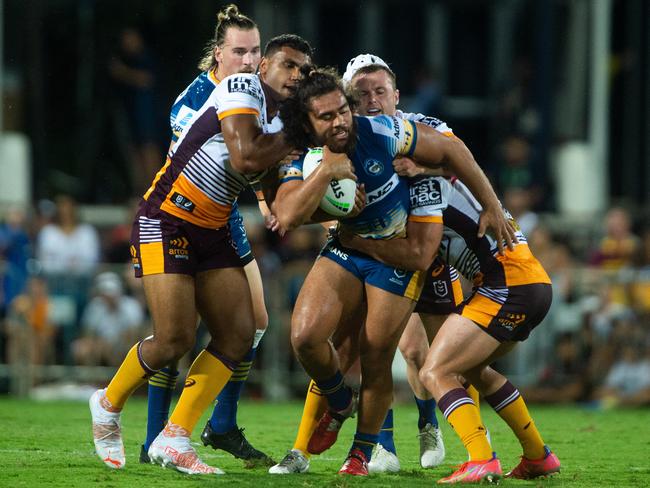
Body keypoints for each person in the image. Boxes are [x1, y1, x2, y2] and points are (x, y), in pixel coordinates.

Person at [88, 8, 312, 475]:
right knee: (173, 339)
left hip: (213, 226)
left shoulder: (277, 114)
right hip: (168, 219)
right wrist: (299, 137)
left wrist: (323, 187)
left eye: (304, 70)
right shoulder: (238, 88)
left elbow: (274, 191)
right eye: (285, 64)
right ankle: (107, 405)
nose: (250, 61)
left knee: (239, 332)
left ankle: (175, 437)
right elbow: (246, 157)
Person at [270, 67, 515, 476]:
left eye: (342, 112)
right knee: (306, 337)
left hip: (397, 255)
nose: (340, 122)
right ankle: (339, 400)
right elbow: (288, 216)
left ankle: (363, 454)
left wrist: (490, 202)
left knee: (380, 355)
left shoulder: (384, 131)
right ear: (308, 123)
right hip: (349, 246)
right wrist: (328, 172)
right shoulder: (299, 151)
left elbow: (452, 151)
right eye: (326, 117)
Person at [340, 175, 561, 482]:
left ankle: (481, 458)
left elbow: (418, 254)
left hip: (505, 288)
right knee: (473, 370)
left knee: (435, 372)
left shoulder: (428, 190)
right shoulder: (458, 184)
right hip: (533, 285)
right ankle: (538, 455)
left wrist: (356, 239)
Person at [139, 4, 274, 467]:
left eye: (256, 50)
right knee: (179, 333)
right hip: (183, 216)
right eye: (239, 51)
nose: (250, 60)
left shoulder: (255, 92)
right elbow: (233, 157)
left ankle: (221, 424)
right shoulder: (193, 98)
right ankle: (156, 434)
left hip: (224, 220)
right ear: (218, 53)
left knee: (254, 322)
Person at [73, 272, 145, 367]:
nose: (109, 297)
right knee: (81, 349)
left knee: (120, 350)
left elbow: (135, 335)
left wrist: (114, 344)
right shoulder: (95, 306)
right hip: (100, 344)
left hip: (125, 344)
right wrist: (99, 344)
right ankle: (91, 379)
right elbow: (88, 333)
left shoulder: (131, 305)